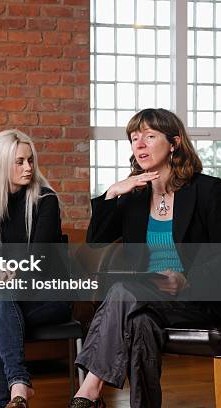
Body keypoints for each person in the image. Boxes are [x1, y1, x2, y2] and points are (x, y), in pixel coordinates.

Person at [70, 108, 221, 408]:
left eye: (149, 137)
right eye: (134, 138)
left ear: (174, 143)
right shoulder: (134, 196)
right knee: (139, 324)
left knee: (122, 291)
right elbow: (96, 241)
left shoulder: (208, 191)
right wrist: (113, 192)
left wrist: (185, 278)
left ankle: (88, 390)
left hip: (196, 300)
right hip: (145, 301)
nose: (139, 145)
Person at [0, 129, 73, 408]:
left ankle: (8, 394)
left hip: (50, 296)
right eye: (19, 161)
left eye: (30, 160)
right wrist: (0, 273)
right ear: (0, 164)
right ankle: (17, 394)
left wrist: (8, 271)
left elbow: (38, 261)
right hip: (10, 296)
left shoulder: (45, 200)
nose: (28, 167)